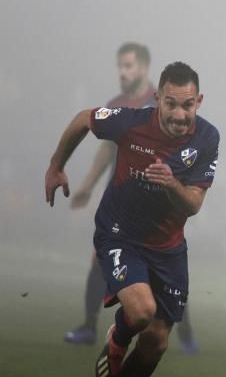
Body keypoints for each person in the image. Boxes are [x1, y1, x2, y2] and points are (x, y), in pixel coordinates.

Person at [45, 62, 219, 377]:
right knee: (141, 312)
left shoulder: (207, 138)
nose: (178, 114)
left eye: (187, 105)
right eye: (170, 104)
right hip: (119, 234)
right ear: (157, 99)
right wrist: (56, 166)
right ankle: (118, 337)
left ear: (199, 102)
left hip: (169, 248)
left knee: (157, 341)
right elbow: (82, 120)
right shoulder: (129, 121)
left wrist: (172, 184)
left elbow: (193, 204)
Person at [63, 43, 199, 354]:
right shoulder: (118, 105)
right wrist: (86, 185)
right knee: (99, 259)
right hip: (122, 204)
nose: (123, 73)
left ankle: (185, 331)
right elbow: (105, 150)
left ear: (145, 68)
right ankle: (88, 325)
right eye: (120, 67)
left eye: (129, 66)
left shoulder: (166, 104)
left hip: (160, 207)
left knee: (166, 270)